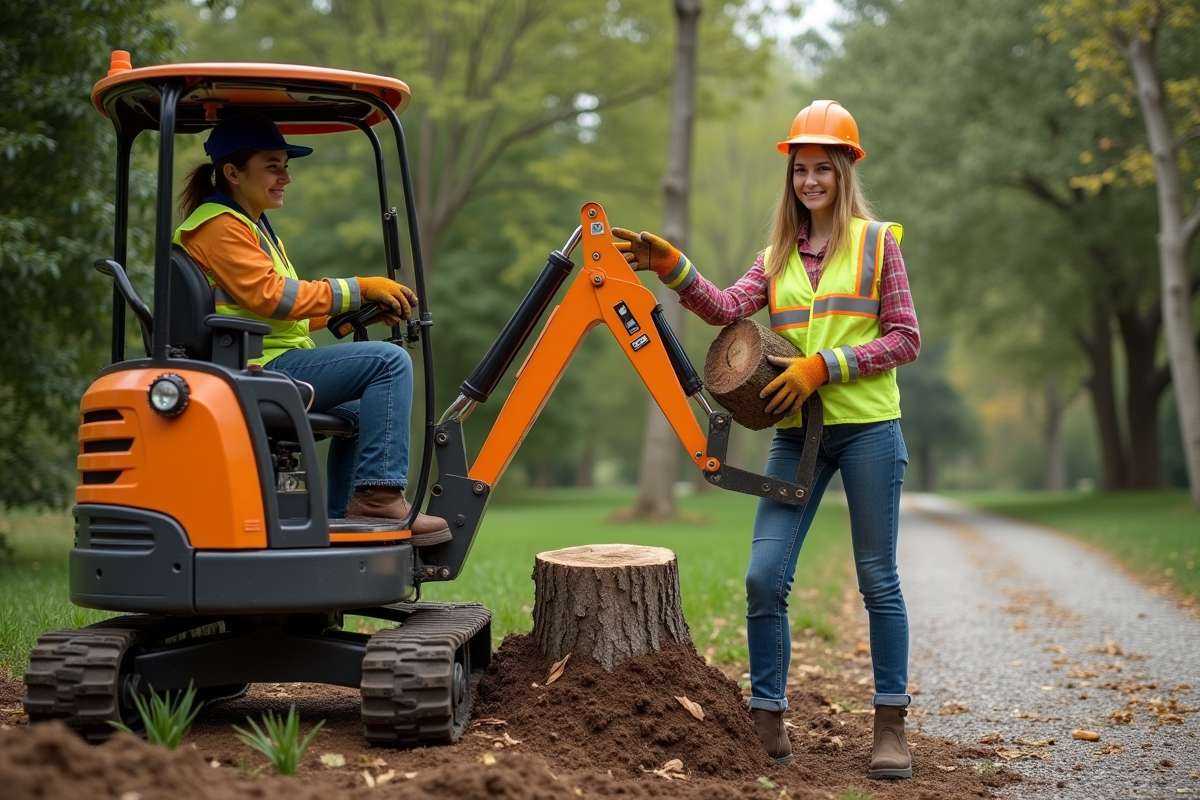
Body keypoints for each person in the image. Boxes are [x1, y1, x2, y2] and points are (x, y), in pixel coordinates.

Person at [613, 100, 919, 778]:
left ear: (843, 171)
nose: (810, 181)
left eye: (823, 169)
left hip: (867, 427)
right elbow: (725, 309)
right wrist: (674, 268)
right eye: (800, 170)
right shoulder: (776, 255)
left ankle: (891, 726)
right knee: (763, 575)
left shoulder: (878, 245)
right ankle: (768, 718)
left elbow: (906, 338)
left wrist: (822, 366)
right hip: (795, 434)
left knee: (878, 579)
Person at [174, 112, 449, 544]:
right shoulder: (219, 227)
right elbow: (275, 297)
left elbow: (282, 311)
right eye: (272, 166)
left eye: (286, 166)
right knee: (389, 362)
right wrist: (358, 288)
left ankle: (344, 521)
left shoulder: (252, 226)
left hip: (263, 359)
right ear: (232, 172)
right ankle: (379, 498)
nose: (285, 177)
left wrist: (353, 314)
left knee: (365, 412)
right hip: (253, 368)